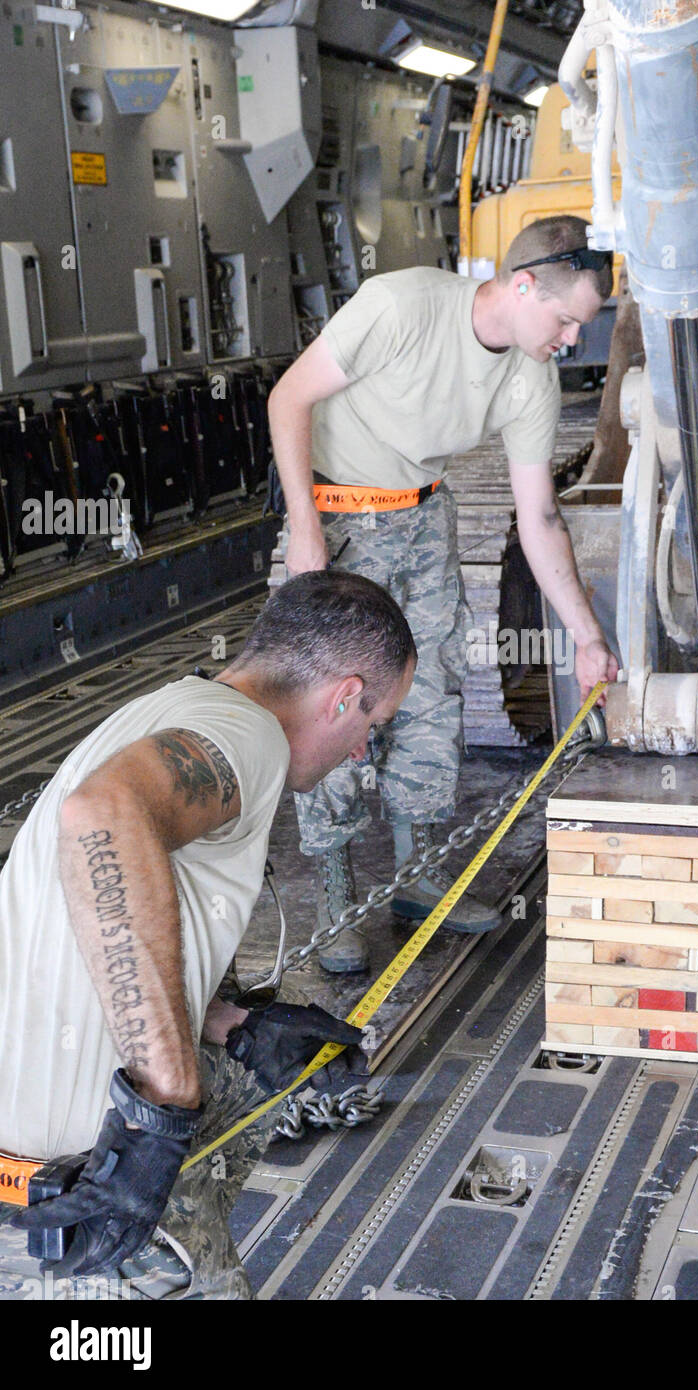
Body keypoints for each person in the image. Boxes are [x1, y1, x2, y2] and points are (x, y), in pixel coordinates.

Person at [0, 570, 416, 1300]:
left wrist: (231, 1023)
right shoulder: (249, 737)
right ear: (344, 695)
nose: (360, 753)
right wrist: (166, 1102)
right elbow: (101, 816)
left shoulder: (172, 705)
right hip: (85, 1200)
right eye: (371, 727)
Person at [268, 214, 620, 974]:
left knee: (430, 695)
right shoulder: (401, 306)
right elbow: (287, 400)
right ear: (522, 286)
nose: (571, 341)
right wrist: (304, 528)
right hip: (336, 519)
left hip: (424, 518)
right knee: (324, 704)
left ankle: (416, 878)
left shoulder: (530, 381)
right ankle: (336, 896)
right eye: (566, 321)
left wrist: (586, 635)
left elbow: (540, 519)